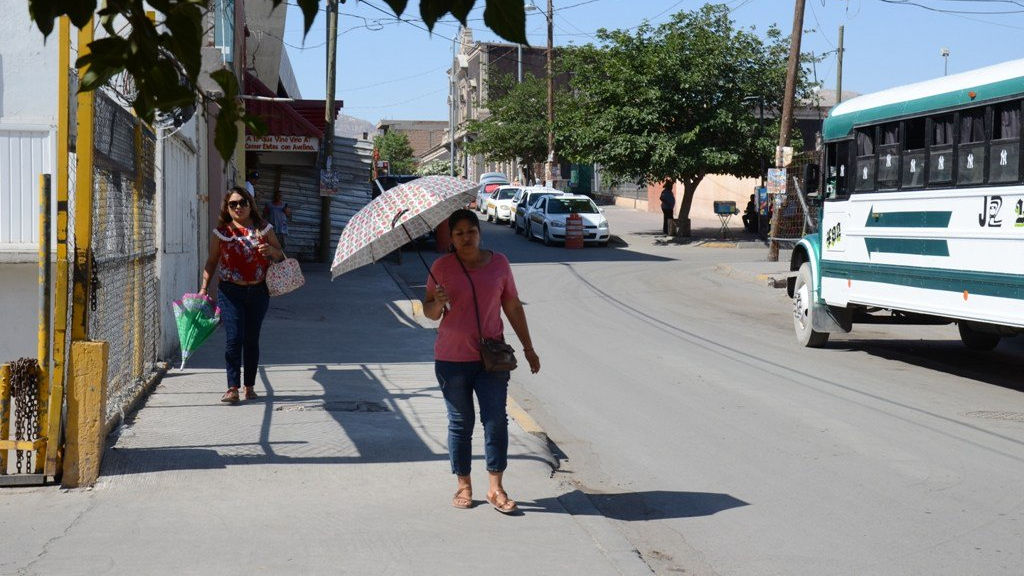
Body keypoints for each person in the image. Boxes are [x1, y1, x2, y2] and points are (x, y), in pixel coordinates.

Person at [422, 209, 541, 514]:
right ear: (452, 237)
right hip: (452, 358)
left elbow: (512, 305)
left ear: (479, 232)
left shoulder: (499, 262)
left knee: (496, 421)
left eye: (471, 231)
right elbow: (431, 314)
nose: (466, 237)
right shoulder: (441, 267)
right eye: (458, 233)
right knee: (461, 424)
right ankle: (463, 484)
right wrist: (437, 300)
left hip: (492, 360)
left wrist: (528, 348)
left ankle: (495, 487)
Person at [200, 186, 285, 403]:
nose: (238, 207)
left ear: (250, 205)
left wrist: (271, 252)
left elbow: (280, 255)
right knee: (233, 338)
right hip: (230, 291)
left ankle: (249, 386)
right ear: (227, 208)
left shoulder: (264, 229)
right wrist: (203, 287)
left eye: (243, 203)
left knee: (251, 339)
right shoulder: (222, 233)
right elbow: (212, 262)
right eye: (233, 204)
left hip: (259, 291)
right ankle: (232, 387)